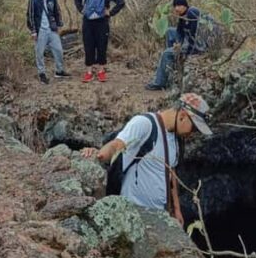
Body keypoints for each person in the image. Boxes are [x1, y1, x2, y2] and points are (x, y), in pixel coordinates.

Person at [81, 93, 213, 224]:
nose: (192, 134)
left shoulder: (177, 140)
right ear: (183, 116)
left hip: (159, 214)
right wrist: (98, 155)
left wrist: (176, 210)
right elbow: (117, 145)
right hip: (133, 213)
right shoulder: (144, 124)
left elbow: (170, 173)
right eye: (194, 128)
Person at [146, 0, 214, 91]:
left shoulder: (192, 13)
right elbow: (180, 31)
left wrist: (187, 54)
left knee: (165, 54)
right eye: (175, 6)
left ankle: (159, 82)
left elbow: (193, 36)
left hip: (198, 45)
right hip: (188, 39)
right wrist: (177, 44)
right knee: (169, 31)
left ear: (184, 5)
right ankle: (172, 63)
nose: (176, 8)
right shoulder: (183, 15)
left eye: (179, 5)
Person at [74, 0, 125, 83]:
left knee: (102, 46)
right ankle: (89, 72)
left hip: (102, 21)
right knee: (88, 46)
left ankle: (101, 71)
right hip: (88, 21)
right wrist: (81, 9)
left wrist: (110, 12)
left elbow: (120, 2)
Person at [27, 0, 70, 84]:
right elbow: (30, 15)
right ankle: (42, 73)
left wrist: (59, 24)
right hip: (39, 30)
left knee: (59, 50)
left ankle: (59, 71)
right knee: (39, 53)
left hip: (52, 28)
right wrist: (33, 31)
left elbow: (57, 11)